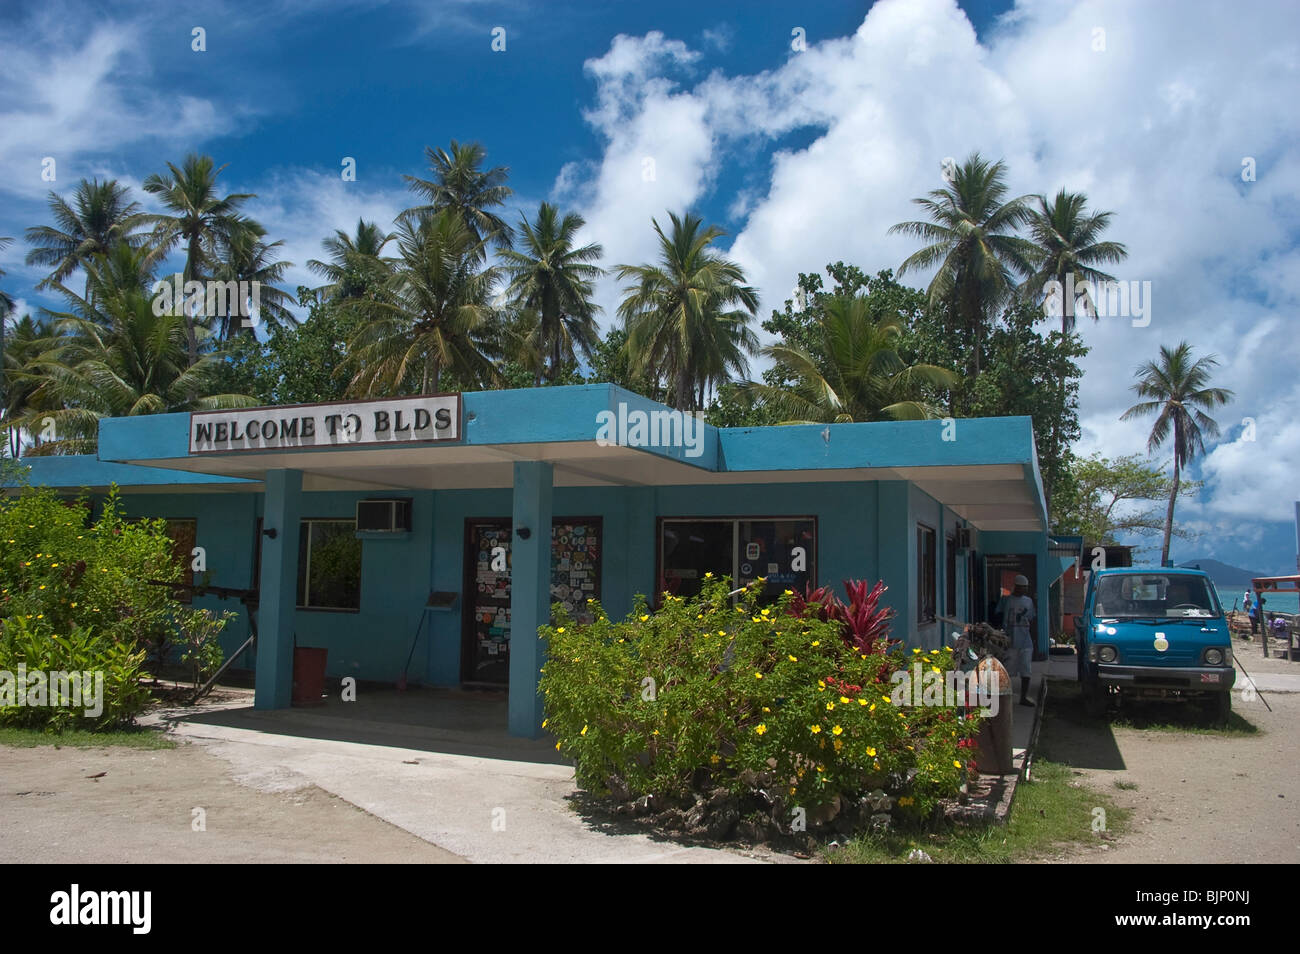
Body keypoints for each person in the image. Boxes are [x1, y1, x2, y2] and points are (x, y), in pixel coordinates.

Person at [997, 574, 1037, 707]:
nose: (1024, 590)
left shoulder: (1028, 601)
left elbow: (1032, 619)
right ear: (1016, 587)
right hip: (1010, 640)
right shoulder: (1006, 600)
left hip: (1025, 641)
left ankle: (1023, 697)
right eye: (1022, 587)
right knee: (1007, 671)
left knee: (1026, 670)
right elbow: (998, 615)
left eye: (1026, 588)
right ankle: (1004, 698)